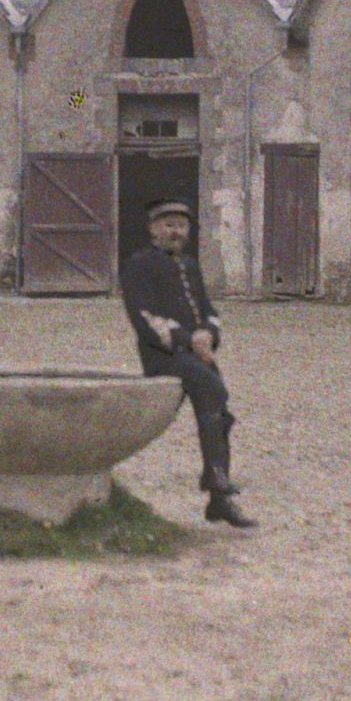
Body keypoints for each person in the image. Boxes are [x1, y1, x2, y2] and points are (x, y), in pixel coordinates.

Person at [119, 198, 256, 528]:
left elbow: (208, 310)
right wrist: (186, 339)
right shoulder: (139, 265)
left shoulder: (191, 267)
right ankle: (216, 480)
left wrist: (208, 333)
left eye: (181, 226)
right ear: (153, 230)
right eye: (168, 225)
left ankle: (219, 500)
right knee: (212, 386)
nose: (175, 232)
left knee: (221, 412)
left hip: (195, 355)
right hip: (162, 356)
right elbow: (145, 318)